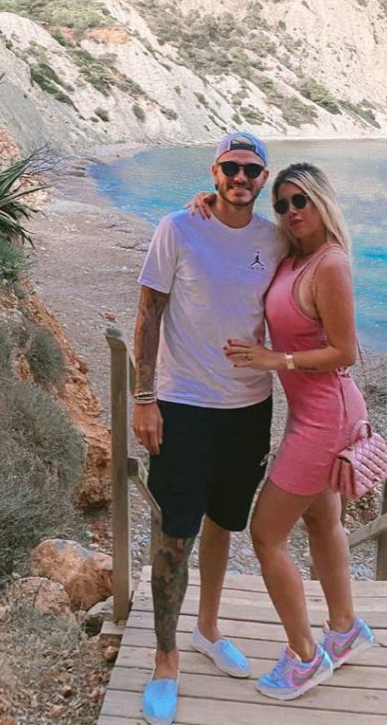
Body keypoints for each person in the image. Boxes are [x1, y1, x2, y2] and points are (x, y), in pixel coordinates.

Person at [132, 131, 285, 725]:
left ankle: (208, 629)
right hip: (184, 405)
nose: (240, 177)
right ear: (214, 172)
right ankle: (165, 659)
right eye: (230, 167)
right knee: (175, 532)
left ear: (263, 178)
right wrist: (145, 398)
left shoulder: (274, 239)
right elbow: (149, 311)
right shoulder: (177, 227)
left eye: (251, 169)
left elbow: (317, 264)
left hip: (249, 408)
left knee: (224, 523)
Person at [221, 161, 375, 700]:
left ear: (320, 201)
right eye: (282, 204)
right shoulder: (293, 258)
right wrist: (205, 204)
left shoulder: (330, 263)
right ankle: (345, 629)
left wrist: (274, 359)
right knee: (321, 519)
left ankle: (305, 657)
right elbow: (240, 233)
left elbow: (344, 351)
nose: (290, 211)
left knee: (266, 534)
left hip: (327, 415)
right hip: (310, 411)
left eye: (299, 200)